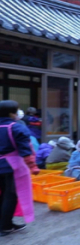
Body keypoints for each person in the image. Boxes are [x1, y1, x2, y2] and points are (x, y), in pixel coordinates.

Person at [0, 100, 39, 237]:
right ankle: (5, 226)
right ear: (11, 113)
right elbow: (25, 151)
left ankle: (5, 223)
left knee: (2, 194)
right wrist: (33, 166)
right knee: (10, 196)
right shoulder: (16, 127)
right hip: (13, 166)